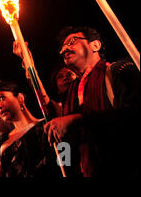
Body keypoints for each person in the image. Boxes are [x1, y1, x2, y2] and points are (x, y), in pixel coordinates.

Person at [44, 26, 140, 177]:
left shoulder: (119, 70)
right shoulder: (70, 96)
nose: (64, 49)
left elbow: (133, 117)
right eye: (62, 47)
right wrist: (66, 167)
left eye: (72, 41)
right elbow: (65, 144)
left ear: (95, 45)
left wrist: (79, 119)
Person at [0, 81, 62, 177]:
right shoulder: (4, 143)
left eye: (2, 98)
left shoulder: (46, 126)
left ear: (20, 98)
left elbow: (66, 157)